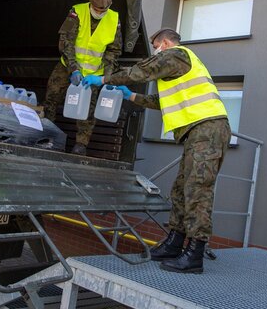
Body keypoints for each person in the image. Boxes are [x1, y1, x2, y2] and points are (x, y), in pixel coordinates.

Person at [82, 28, 230, 273]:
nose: (155, 52)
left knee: (197, 187)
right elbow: (163, 102)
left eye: (155, 46)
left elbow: (142, 70)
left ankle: (195, 253)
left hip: (208, 128)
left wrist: (105, 79)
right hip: (198, 130)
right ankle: (174, 243)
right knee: (182, 188)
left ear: (163, 43)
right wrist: (131, 97)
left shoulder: (176, 55)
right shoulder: (178, 69)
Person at [43, 0, 122, 155]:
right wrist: (73, 69)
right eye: (96, 8)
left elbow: (114, 51)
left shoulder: (114, 19)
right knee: (52, 96)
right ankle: (47, 135)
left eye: (103, 10)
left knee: (88, 110)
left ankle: (81, 145)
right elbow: (66, 41)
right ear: (90, 3)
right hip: (68, 66)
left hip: (94, 73)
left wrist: (107, 77)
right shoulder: (77, 12)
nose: (99, 12)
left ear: (110, 6)